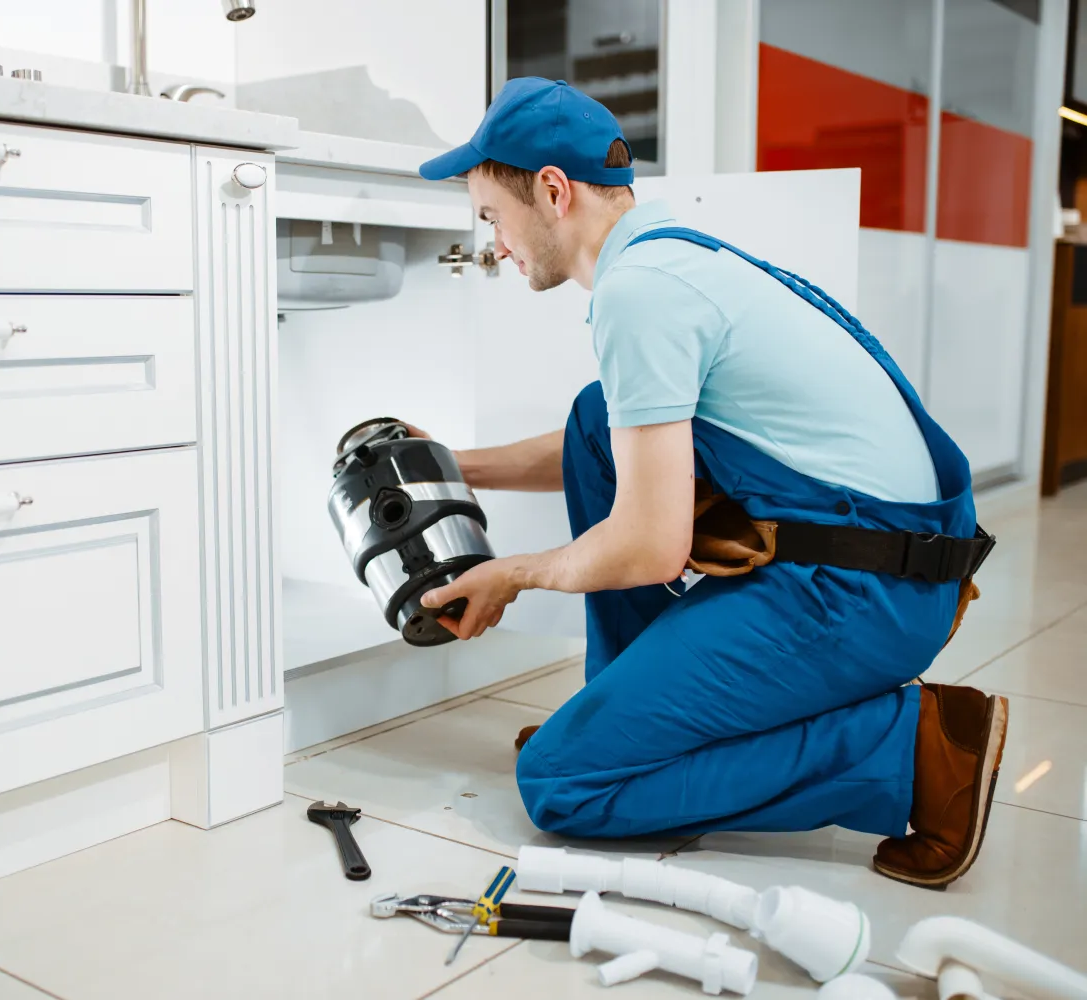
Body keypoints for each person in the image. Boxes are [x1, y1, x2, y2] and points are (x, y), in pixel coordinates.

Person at [408, 77, 1006, 889]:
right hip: (883, 563)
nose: (494, 243)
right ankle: (621, 720)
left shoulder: (641, 295)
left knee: (563, 784)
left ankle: (908, 747)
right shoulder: (679, 261)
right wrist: (448, 463)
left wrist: (510, 572)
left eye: (491, 218)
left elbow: (652, 547)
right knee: (596, 422)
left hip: (862, 595)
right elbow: (624, 443)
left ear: (551, 191)